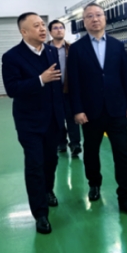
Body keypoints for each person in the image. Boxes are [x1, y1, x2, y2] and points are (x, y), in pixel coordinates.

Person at [67, 3, 127, 216]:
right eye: (89, 16)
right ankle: (94, 183)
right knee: (91, 152)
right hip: (90, 112)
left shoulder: (118, 45)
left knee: (122, 154)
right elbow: (74, 82)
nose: (95, 19)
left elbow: (125, 76)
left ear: (105, 18)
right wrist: (77, 110)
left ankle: (125, 197)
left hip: (116, 109)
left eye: (98, 15)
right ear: (84, 22)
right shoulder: (77, 49)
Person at [2, 12, 65, 234]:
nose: (42, 29)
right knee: (35, 165)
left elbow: (57, 86)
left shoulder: (51, 51)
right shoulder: (12, 57)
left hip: (53, 120)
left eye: (43, 25)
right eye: (36, 25)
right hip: (29, 123)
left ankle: (48, 190)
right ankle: (40, 214)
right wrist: (40, 80)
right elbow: (12, 89)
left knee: (51, 160)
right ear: (24, 31)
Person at [47, 20, 82, 157]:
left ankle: (75, 144)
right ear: (50, 32)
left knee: (72, 117)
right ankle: (61, 142)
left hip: (69, 89)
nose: (59, 30)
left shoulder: (71, 48)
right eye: (55, 28)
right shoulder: (44, 50)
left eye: (61, 27)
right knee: (57, 118)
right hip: (52, 91)